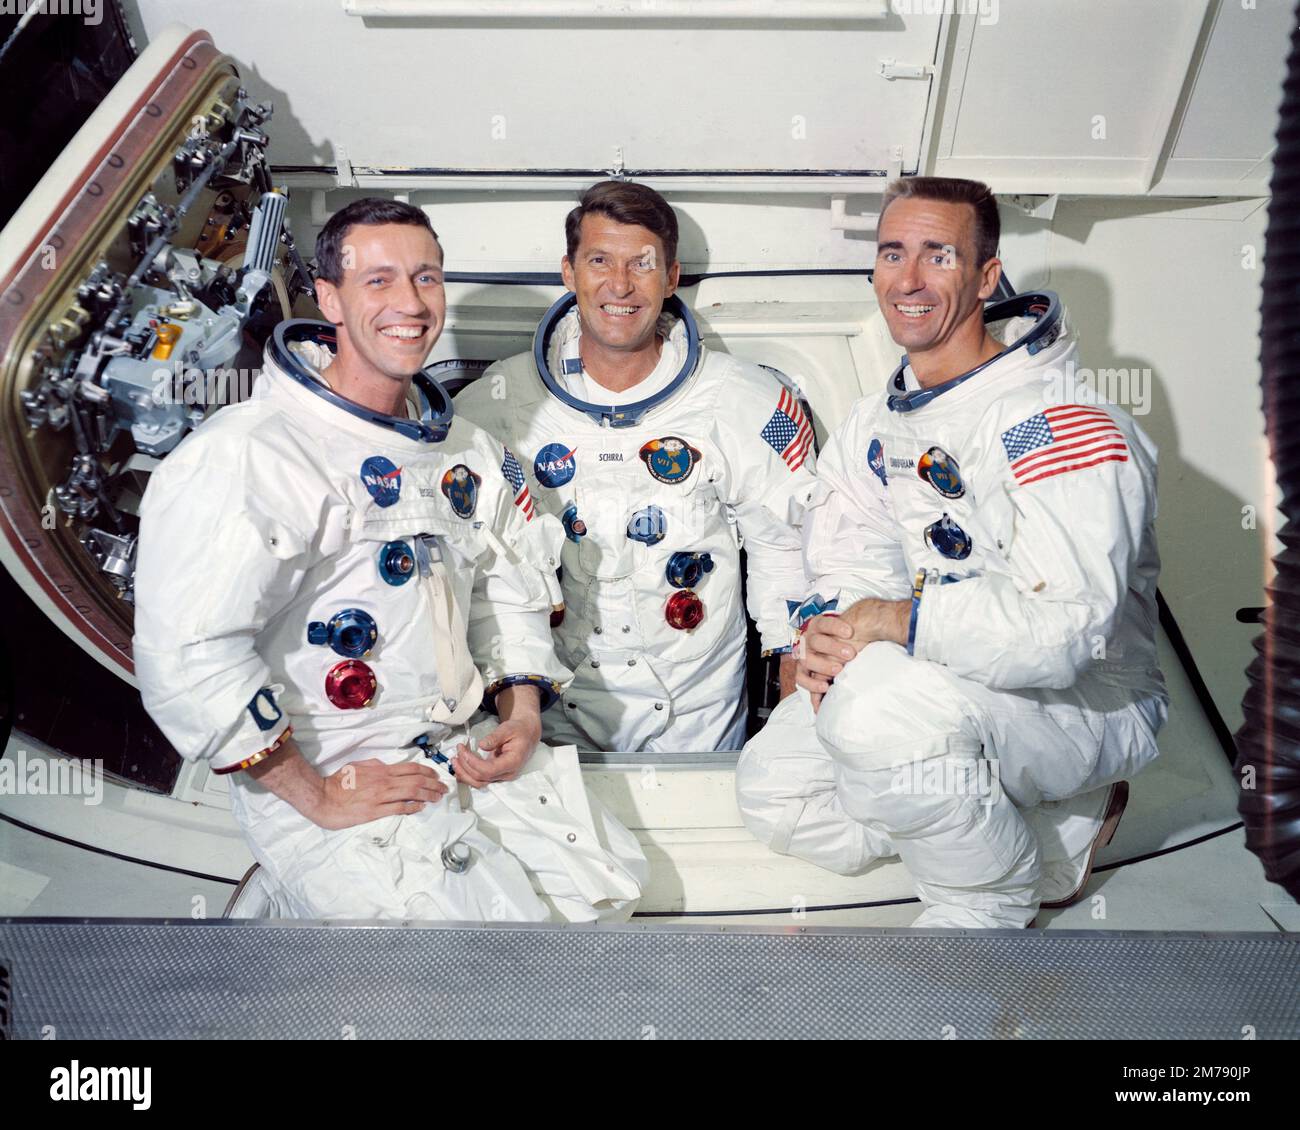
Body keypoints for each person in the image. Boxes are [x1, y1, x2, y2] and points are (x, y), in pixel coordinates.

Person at [133, 197, 646, 921]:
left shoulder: (468, 451)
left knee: (603, 893)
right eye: (379, 281)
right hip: (333, 778)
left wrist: (521, 714)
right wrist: (314, 794)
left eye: (427, 278)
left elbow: (509, 590)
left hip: (457, 749)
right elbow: (186, 654)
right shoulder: (250, 455)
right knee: (466, 975)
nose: (410, 304)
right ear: (330, 298)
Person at [736, 177, 1167, 928]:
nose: (909, 280)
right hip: (951, 670)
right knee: (778, 796)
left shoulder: (1057, 426)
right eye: (892, 254)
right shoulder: (879, 421)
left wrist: (896, 622)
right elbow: (851, 563)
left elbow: (1063, 634)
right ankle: (1040, 840)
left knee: (874, 719)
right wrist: (834, 634)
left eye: (939, 256)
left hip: (1089, 702)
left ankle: (985, 910)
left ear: (987, 275)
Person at [456, 180, 813, 753]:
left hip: (697, 720)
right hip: (547, 717)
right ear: (569, 272)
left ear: (671, 278)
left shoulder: (745, 400)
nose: (619, 285)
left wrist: (798, 724)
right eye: (599, 260)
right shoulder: (495, 406)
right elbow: (472, 575)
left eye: (642, 264)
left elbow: (788, 554)